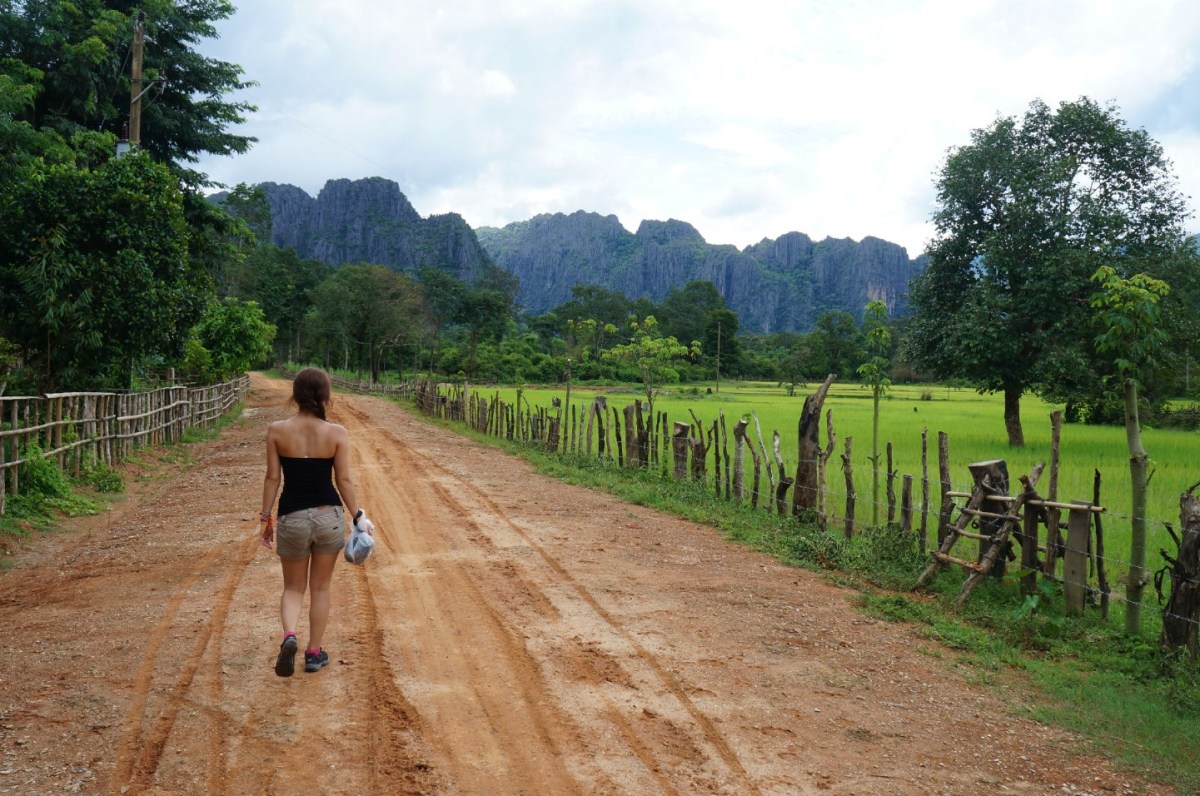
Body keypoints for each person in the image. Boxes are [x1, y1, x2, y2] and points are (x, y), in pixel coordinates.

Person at [258, 367, 373, 677]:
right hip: (328, 517)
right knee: (320, 588)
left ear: (294, 395)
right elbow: (344, 479)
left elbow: (272, 478)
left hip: (291, 517)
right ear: (325, 395)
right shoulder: (336, 433)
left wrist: (265, 518)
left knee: (293, 587)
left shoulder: (276, 431)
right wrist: (358, 516)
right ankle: (313, 653)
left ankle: (290, 635)